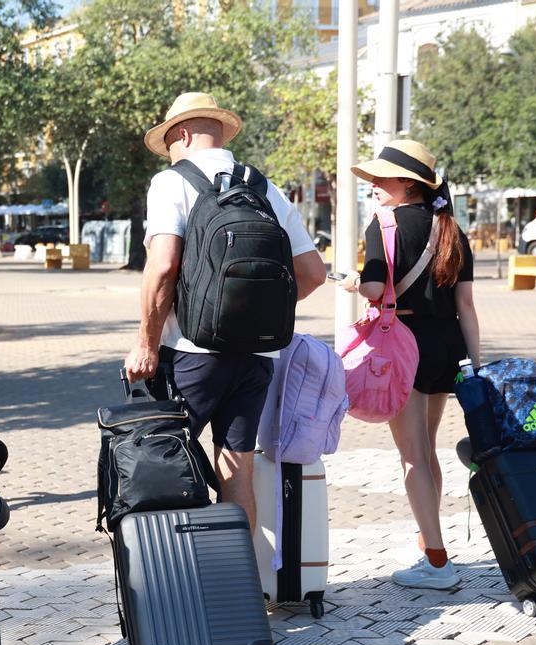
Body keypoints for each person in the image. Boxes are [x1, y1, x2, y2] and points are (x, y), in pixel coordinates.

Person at [123, 91, 327, 529]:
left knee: (163, 465)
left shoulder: (172, 182)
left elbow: (162, 266)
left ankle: (176, 586)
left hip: (190, 352)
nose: (170, 155)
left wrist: (145, 342)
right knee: (237, 471)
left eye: (169, 146)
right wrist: (256, 309)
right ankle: (243, 588)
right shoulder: (265, 187)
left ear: (182, 134)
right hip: (257, 356)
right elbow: (313, 274)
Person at [343, 139, 480, 590]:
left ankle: (438, 563)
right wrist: (474, 368)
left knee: (412, 458)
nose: (374, 187)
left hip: (403, 344)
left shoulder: (384, 225)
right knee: (427, 449)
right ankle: (429, 544)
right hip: (447, 347)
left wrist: (354, 283)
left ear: (408, 184)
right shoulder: (450, 230)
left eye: (382, 179)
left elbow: (375, 289)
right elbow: (467, 306)